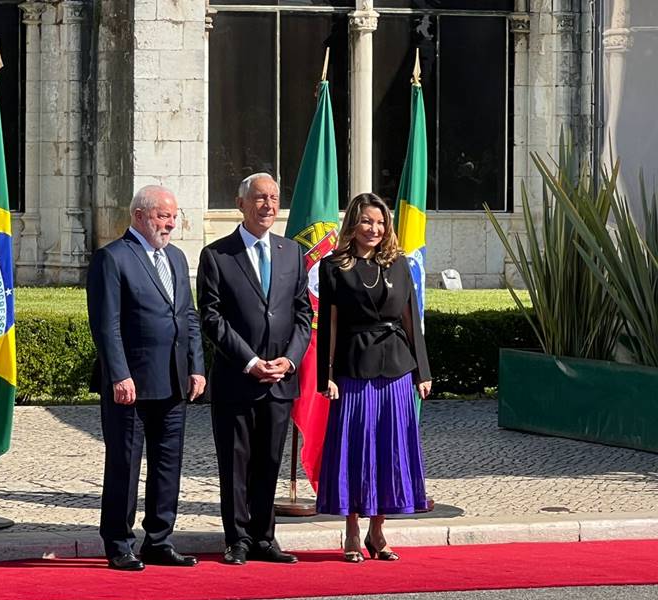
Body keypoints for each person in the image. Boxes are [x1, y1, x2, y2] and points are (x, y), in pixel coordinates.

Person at [86, 185, 207, 571]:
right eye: (162, 216)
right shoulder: (113, 258)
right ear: (139, 216)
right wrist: (119, 374)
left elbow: (187, 316)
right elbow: (107, 325)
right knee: (125, 463)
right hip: (131, 386)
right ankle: (119, 542)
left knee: (168, 463)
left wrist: (196, 366)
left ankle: (159, 539)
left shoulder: (174, 257)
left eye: (173, 216)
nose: (170, 223)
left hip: (173, 381)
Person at [198, 172, 313, 565]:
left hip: (281, 380)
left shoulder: (291, 253)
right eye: (260, 198)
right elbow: (211, 318)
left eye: (274, 198)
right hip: (236, 379)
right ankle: (238, 539)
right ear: (241, 203)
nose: (268, 205)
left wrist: (290, 360)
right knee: (235, 463)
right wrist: (250, 361)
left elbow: (303, 315)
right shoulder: (217, 255)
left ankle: (265, 538)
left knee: (270, 462)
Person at [315, 192, 432, 563]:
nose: (374, 229)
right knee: (355, 448)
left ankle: (377, 531)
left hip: (396, 368)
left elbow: (411, 317)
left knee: (389, 450)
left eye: (380, 223)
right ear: (353, 223)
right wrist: (326, 375)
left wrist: (422, 372)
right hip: (353, 367)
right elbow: (329, 324)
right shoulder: (334, 266)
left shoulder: (398, 263)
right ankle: (351, 530)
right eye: (367, 221)